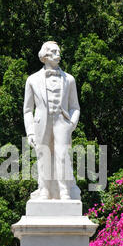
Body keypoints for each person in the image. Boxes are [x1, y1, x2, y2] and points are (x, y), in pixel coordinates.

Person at [23, 41, 81, 200]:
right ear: (45, 56)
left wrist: (72, 124)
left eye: (59, 52)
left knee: (62, 156)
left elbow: (75, 106)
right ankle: (44, 190)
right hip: (41, 124)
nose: (58, 55)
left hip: (62, 122)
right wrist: (30, 132)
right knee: (43, 157)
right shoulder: (32, 80)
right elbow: (27, 110)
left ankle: (64, 191)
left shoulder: (69, 79)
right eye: (54, 52)